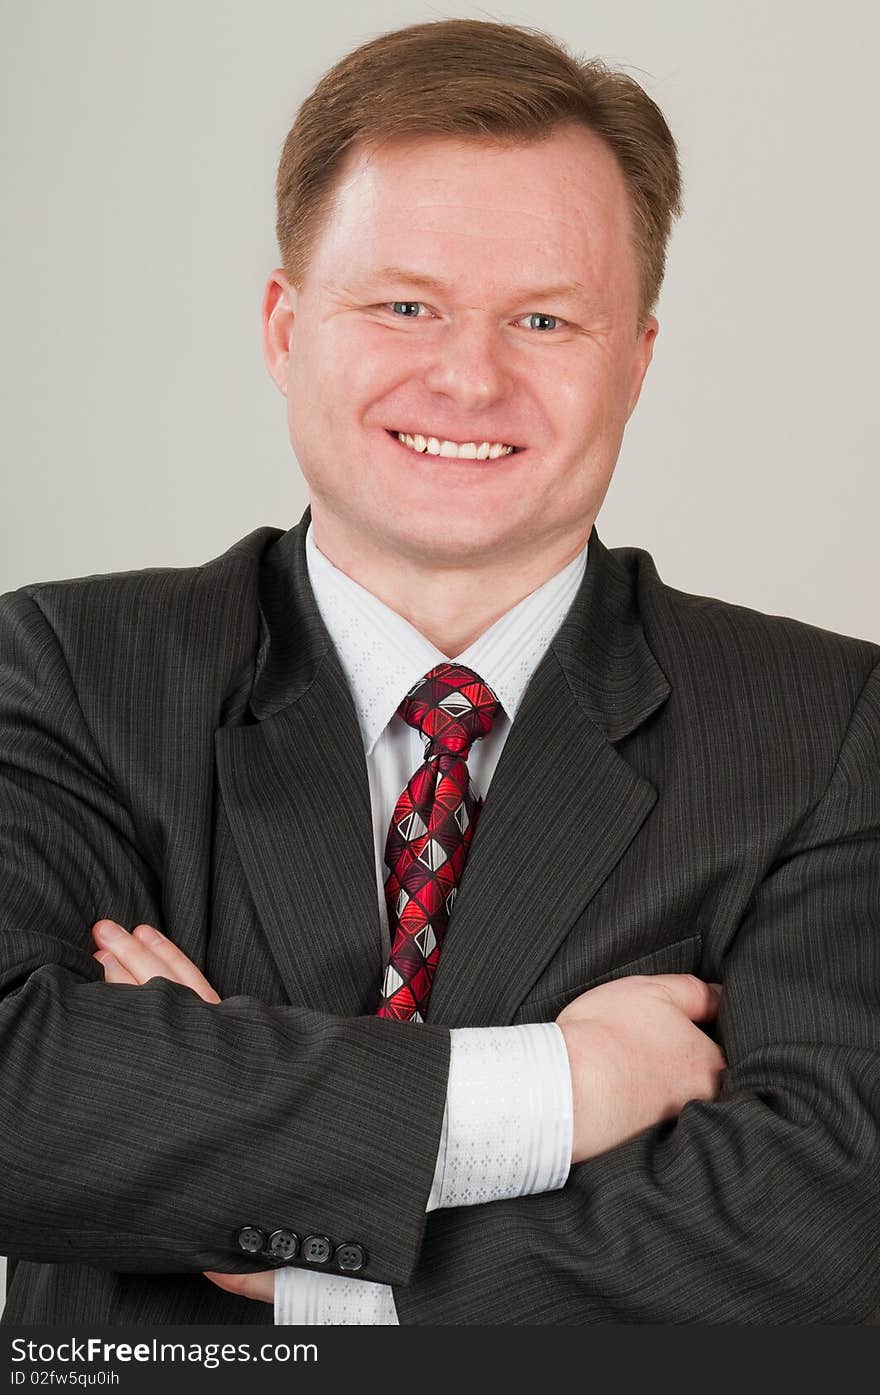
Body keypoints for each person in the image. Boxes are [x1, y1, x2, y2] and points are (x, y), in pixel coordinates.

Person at [1, 17, 878, 1327]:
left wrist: (315, 1259)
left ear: (634, 361)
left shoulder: (827, 727)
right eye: (405, 304)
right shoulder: (66, 671)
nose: (469, 375)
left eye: (544, 317)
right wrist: (560, 1091)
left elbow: (830, 1216)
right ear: (286, 329)